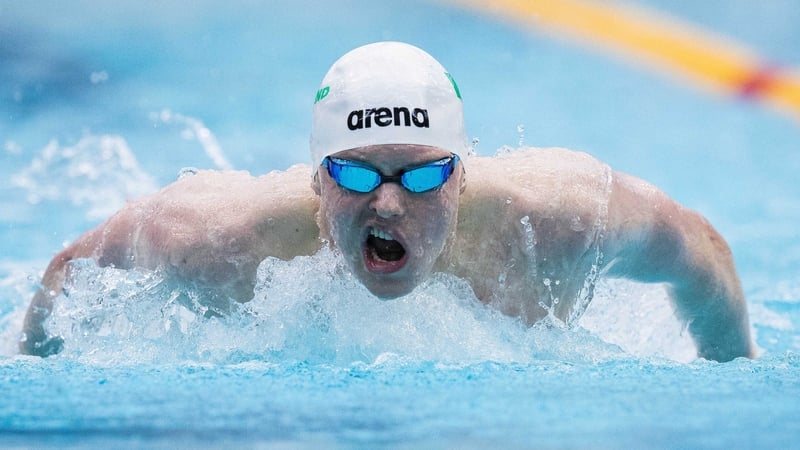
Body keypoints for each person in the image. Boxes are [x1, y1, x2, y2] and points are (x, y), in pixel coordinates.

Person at [21, 42, 755, 362]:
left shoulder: (561, 220)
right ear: (315, 180)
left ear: (464, 175)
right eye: (357, 176)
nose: (391, 206)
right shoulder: (218, 239)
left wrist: (733, 373)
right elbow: (70, 270)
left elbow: (704, 259)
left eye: (425, 176)